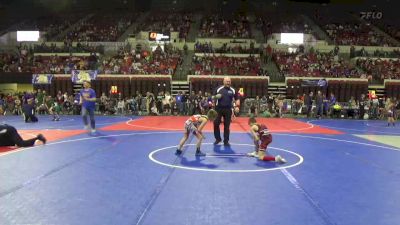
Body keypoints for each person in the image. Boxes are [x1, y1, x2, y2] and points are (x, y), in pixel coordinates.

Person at [213, 77, 240, 146]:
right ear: (223, 81)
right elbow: (212, 97)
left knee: (227, 126)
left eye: (229, 81)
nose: (228, 82)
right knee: (216, 124)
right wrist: (215, 97)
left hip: (228, 110)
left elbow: (237, 99)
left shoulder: (233, 90)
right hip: (218, 109)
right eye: (227, 81)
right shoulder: (218, 88)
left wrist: (237, 106)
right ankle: (218, 139)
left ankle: (226, 141)